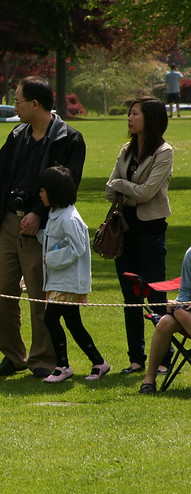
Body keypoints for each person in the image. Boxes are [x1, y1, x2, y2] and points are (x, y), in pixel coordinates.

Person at [0, 76, 86, 378]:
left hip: (43, 229)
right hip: (7, 223)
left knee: (39, 296)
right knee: (2, 294)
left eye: (18, 101)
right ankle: (13, 356)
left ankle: (43, 359)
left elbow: (68, 185)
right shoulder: (18, 134)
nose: (14, 106)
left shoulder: (69, 139)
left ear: (35, 104)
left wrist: (38, 213)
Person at [106, 96, 173, 375]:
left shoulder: (164, 152)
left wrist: (123, 186)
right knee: (129, 298)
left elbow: (146, 193)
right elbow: (110, 191)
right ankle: (136, 359)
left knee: (156, 296)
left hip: (150, 233)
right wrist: (127, 189)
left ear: (151, 118)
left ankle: (164, 359)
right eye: (129, 113)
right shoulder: (126, 149)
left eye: (135, 113)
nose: (129, 118)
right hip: (125, 234)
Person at [36, 166, 108, 383]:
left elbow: (77, 248)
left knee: (50, 318)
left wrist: (50, 259)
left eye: (43, 190)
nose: (40, 194)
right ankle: (99, 362)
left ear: (55, 191)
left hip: (68, 281)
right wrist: (38, 234)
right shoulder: (55, 215)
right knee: (73, 323)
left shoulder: (69, 218)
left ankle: (62, 366)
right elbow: (54, 241)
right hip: (58, 280)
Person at [139, 246, 191, 394]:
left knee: (178, 312)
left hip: (186, 313)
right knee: (165, 323)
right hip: (188, 310)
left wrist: (178, 309)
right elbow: (186, 291)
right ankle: (149, 380)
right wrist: (178, 303)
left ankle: (178, 312)